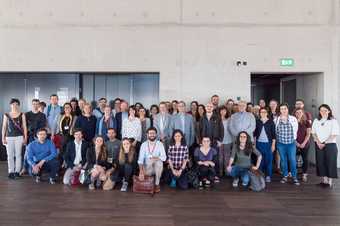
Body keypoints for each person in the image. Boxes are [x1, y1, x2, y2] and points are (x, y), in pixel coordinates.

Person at [311, 104, 339, 188]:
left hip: (330, 145)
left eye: (325, 110)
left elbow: (334, 134)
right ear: (319, 111)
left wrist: (324, 143)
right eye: (321, 110)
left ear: (329, 111)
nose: (323, 112)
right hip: (319, 144)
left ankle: (329, 182)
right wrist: (319, 142)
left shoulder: (333, 121)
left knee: (330, 163)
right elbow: (313, 133)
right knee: (321, 162)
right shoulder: (316, 120)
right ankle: (324, 180)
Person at [2, 98, 28, 179]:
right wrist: (3, 138)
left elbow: (24, 126)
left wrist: (25, 137)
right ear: (10, 105)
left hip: (19, 137)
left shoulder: (22, 114)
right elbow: (4, 127)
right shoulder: (6, 115)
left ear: (18, 105)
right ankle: (11, 172)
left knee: (18, 155)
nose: (15, 106)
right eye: (13, 104)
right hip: (9, 137)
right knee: (9, 155)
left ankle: (17, 172)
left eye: (16, 104)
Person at [274, 103, 300, 185]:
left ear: (287, 109)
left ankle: (294, 177)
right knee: (283, 160)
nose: (283, 110)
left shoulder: (293, 119)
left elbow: (295, 130)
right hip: (280, 144)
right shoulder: (276, 119)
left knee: (292, 160)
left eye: (285, 108)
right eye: (281, 109)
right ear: (280, 110)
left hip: (291, 143)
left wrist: (294, 140)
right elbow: (275, 131)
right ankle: (285, 176)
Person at [198, 102, 223, 182]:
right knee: (205, 158)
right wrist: (200, 141)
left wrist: (220, 140)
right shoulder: (202, 118)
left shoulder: (217, 117)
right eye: (207, 106)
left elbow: (221, 129)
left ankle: (215, 175)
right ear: (205, 108)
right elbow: (199, 130)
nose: (209, 108)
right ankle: (205, 176)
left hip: (214, 141)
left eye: (210, 106)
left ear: (213, 108)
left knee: (215, 159)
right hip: (204, 142)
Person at [138, 127, 167, 193]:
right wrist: (141, 171)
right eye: (150, 133)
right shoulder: (143, 145)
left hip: (157, 167)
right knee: (149, 161)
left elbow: (164, 158)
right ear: (147, 135)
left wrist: (156, 158)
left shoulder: (160, 144)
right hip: (147, 167)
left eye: (153, 133)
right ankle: (149, 183)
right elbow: (140, 160)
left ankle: (157, 184)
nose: (152, 135)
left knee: (159, 162)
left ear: (156, 134)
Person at [254, 107, 276, 182]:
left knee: (268, 160)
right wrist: (254, 144)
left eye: (264, 112)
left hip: (268, 144)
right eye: (261, 112)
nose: (263, 113)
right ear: (259, 113)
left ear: (267, 113)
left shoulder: (271, 122)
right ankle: (260, 175)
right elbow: (255, 134)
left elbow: (273, 135)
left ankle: (268, 175)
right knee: (260, 160)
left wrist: (273, 145)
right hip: (259, 143)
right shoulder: (257, 121)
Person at [294, 108, 311, 182]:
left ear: (303, 113)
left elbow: (308, 134)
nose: (298, 114)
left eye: (300, 112)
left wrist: (303, 143)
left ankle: (304, 174)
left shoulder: (307, 122)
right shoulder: (292, 122)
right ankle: (292, 173)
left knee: (305, 159)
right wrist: (296, 143)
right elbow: (291, 134)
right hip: (294, 143)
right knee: (292, 159)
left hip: (305, 143)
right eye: (297, 112)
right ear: (295, 114)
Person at [219, 106, 233, 177]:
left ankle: (227, 172)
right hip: (219, 141)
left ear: (226, 112)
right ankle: (220, 173)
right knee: (220, 157)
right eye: (221, 110)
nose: (223, 112)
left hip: (228, 140)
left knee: (227, 157)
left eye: (224, 111)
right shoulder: (217, 120)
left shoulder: (229, 119)